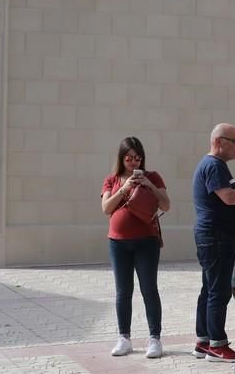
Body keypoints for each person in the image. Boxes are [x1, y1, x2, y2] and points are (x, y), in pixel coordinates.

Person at [100, 136, 171, 358]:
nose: (134, 162)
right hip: (118, 242)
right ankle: (124, 338)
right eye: (129, 158)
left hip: (146, 241)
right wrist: (124, 188)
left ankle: (155, 339)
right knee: (123, 292)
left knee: (149, 289)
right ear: (122, 158)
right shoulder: (112, 179)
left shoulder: (152, 176)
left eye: (138, 158)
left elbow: (166, 205)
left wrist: (148, 185)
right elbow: (106, 208)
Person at [192, 123, 235, 362]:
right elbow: (228, 197)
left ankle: (203, 341)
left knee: (209, 289)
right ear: (219, 142)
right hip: (216, 238)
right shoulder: (214, 166)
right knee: (218, 291)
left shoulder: (216, 166)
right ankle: (217, 344)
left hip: (215, 236)